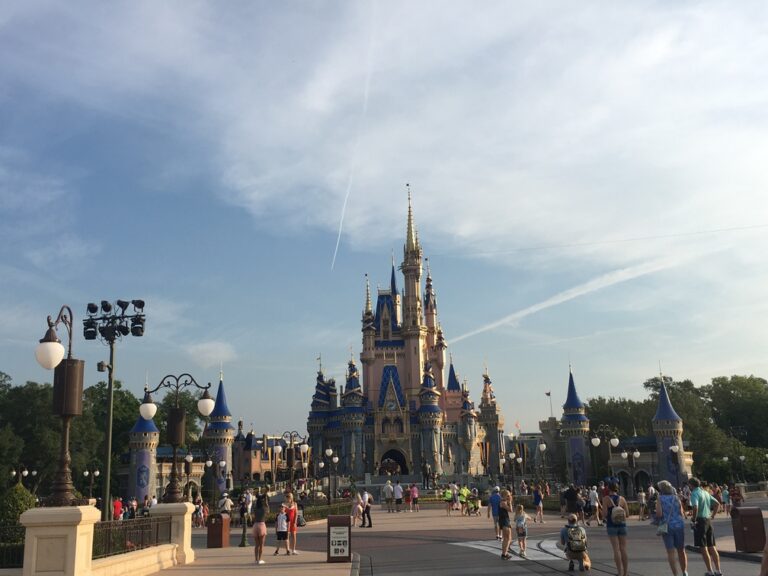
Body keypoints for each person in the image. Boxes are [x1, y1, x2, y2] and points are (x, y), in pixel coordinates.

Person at [689, 477, 722, 576]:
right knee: (712, 546)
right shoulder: (705, 492)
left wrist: (693, 519)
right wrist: (713, 515)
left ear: (691, 485)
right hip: (708, 519)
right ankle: (718, 570)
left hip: (700, 520)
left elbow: (695, 506)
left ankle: (709, 571)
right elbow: (717, 503)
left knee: (703, 547)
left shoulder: (694, 493)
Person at [655, 480, 688, 576]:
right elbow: (681, 513)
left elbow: (659, 513)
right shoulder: (676, 498)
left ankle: (675, 574)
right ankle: (685, 572)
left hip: (667, 526)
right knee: (681, 550)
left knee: (670, 552)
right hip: (679, 525)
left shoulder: (660, 498)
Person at [602, 481, 629, 576]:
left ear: (609, 489)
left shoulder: (606, 499)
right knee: (623, 548)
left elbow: (604, 514)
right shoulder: (622, 499)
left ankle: (619, 572)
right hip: (622, 525)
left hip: (611, 525)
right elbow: (627, 514)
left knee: (616, 549)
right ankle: (625, 573)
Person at [252, 488, 269, 565]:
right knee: (261, 545)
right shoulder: (264, 509)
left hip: (255, 525)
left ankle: (256, 559)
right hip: (262, 525)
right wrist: (265, 496)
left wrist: (259, 496)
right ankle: (260, 559)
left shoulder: (255, 508)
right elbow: (267, 506)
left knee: (256, 545)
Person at [499, 489, 513, 560]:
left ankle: (505, 553)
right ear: (503, 496)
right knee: (507, 538)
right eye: (507, 495)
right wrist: (510, 502)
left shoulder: (504, 502)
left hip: (506, 520)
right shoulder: (503, 502)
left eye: (509, 495)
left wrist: (509, 501)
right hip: (504, 520)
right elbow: (510, 510)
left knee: (509, 538)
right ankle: (504, 554)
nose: (509, 497)